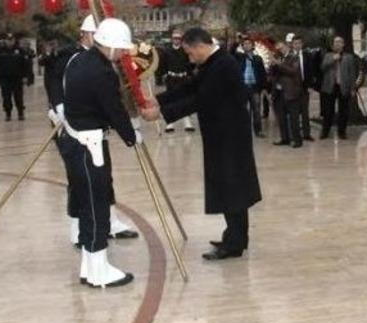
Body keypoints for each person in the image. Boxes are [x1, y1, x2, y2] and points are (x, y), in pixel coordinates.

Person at [142, 28, 262, 260]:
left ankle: (235, 244)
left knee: (232, 187)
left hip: (230, 138)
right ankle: (234, 236)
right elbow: (190, 87)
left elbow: (202, 99)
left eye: (189, 53)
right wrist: (157, 99)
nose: (189, 58)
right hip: (221, 136)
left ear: (199, 46)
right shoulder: (214, 63)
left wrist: (161, 114)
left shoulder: (223, 65)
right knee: (228, 186)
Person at [63, 18, 139, 288]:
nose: (122, 54)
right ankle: (98, 272)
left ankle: (89, 265)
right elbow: (113, 108)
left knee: (86, 205)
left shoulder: (78, 61)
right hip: (89, 146)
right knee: (96, 207)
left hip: (74, 141)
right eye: (121, 49)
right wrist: (131, 136)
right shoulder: (102, 70)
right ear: (111, 45)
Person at [319, 36, 358, 140]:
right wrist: (333, 59)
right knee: (328, 111)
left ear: (343, 44)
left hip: (343, 86)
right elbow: (322, 68)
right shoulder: (328, 55)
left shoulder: (349, 57)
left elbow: (352, 73)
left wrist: (353, 88)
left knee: (343, 111)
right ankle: (325, 131)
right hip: (330, 87)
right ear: (333, 44)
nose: (337, 44)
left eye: (340, 42)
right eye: (336, 42)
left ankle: (342, 132)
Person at [158, 28, 196, 133]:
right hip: (171, 78)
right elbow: (162, 65)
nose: (177, 40)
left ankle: (187, 122)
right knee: (171, 100)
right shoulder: (166, 51)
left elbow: (191, 64)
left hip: (183, 78)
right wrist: (162, 76)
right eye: (175, 38)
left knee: (185, 99)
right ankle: (170, 123)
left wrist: (190, 75)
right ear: (172, 39)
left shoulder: (185, 51)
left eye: (179, 38)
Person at [269, 41, 303, 148]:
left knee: (293, 118)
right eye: (278, 48)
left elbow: (293, 71)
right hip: (278, 92)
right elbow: (273, 74)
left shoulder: (294, 57)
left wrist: (279, 64)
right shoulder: (278, 58)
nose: (280, 49)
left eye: (282, 47)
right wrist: (273, 65)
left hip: (291, 91)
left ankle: (297, 140)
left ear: (287, 47)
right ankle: (285, 138)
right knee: (281, 117)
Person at [234, 37, 268, 138]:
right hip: (243, 88)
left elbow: (262, 74)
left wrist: (264, 88)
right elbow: (231, 51)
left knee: (256, 110)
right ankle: (243, 130)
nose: (247, 45)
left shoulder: (258, 59)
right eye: (245, 44)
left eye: (249, 44)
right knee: (243, 111)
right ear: (242, 46)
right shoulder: (239, 57)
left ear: (252, 46)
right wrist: (237, 41)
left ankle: (258, 130)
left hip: (254, 88)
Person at [0, 34, 28, 121]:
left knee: (18, 96)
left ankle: (20, 113)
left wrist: (25, 76)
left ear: (14, 40)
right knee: (6, 97)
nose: (10, 42)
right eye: (8, 40)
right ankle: (8, 114)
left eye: (11, 40)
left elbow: (25, 65)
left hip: (17, 78)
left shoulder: (20, 51)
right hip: (5, 78)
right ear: (5, 41)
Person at [291, 35, 318, 142]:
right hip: (293, 88)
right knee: (294, 112)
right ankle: (296, 134)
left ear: (302, 44)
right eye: (295, 43)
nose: (297, 45)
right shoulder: (289, 56)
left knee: (305, 112)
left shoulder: (307, 56)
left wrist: (310, 86)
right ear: (292, 45)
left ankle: (307, 134)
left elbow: (311, 71)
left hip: (304, 87)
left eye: (299, 43)